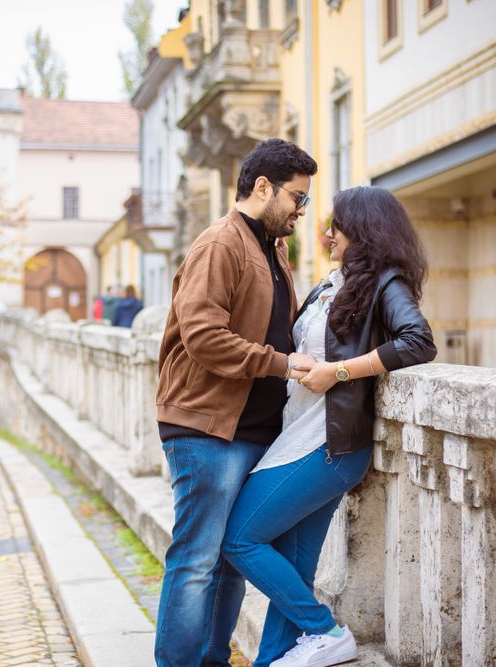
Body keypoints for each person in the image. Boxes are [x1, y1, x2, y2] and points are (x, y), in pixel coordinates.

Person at [220, 186, 437, 666]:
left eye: (335, 224)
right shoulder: (330, 284)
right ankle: (275, 658)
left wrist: (338, 372)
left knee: (238, 538)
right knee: (294, 564)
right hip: (297, 432)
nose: (325, 233)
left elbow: (418, 341)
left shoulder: (386, 283)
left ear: (362, 229)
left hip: (329, 445)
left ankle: (325, 630)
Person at [154, 138, 318, 667]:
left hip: (253, 430)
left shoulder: (272, 248)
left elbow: (276, 328)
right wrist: (281, 364)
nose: (301, 210)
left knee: (227, 560)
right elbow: (203, 335)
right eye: (297, 197)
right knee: (198, 557)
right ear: (263, 187)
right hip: (205, 427)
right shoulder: (219, 244)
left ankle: (210, 661)